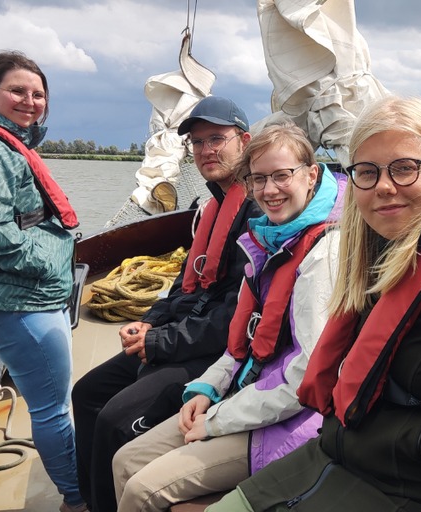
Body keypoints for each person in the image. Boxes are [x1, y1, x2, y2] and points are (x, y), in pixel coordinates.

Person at [208, 96, 421, 512]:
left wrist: (396, 440)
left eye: (404, 167)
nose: (383, 185)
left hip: (416, 487)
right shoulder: (368, 258)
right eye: (367, 172)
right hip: (335, 455)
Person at [111, 121, 346, 510]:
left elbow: (305, 378)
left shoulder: (323, 255)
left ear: (311, 174)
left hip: (288, 420)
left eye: (281, 176)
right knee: (125, 461)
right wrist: (206, 388)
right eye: (258, 179)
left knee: (142, 491)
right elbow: (244, 341)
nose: (269, 190)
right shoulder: (267, 240)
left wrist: (217, 421)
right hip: (242, 395)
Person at [71, 95, 262, 512]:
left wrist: (161, 343)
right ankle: (89, 500)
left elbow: (235, 314)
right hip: (173, 335)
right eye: (196, 143)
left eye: (216, 139)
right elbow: (184, 281)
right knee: (86, 394)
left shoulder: (259, 215)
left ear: (244, 141)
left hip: (209, 353)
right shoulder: (212, 208)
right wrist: (149, 322)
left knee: (116, 421)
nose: (204, 150)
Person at [0, 50, 86, 512]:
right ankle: (78, 499)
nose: (29, 101)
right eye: (17, 90)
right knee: (52, 410)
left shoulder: (5, 140)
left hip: (30, 295)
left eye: (38, 94)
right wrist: (49, 263)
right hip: (21, 302)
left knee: (53, 405)